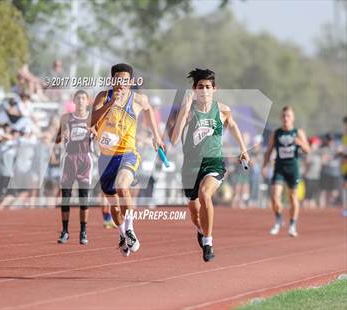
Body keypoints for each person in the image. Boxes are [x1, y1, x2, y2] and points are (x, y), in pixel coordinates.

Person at [171, 68, 250, 262]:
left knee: (204, 194)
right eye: (200, 87)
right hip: (190, 166)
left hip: (213, 163)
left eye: (208, 87)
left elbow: (232, 125)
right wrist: (184, 108)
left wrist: (243, 149)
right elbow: (173, 140)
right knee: (194, 212)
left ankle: (208, 242)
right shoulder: (188, 111)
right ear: (194, 89)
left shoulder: (222, 109)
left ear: (214, 89)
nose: (204, 90)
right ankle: (201, 229)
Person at [91, 63, 164, 257]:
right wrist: (109, 105)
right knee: (114, 208)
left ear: (131, 81)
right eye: (118, 79)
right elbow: (91, 121)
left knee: (123, 187)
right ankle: (123, 234)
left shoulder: (138, 99)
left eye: (125, 80)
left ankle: (130, 230)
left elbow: (148, 110)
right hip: (106, 158)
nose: (121, 83)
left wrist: (156, 135)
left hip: (128, 153)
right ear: (112, 80)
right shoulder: (103, 96)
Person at [262, 106, 310, 237]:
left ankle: (292, 225)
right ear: (280, 118)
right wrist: (264, 166)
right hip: (279, 167)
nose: (285, 118)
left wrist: (300, 143)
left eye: (288, 116)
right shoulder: (276, 133)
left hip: (293, 168)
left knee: (292, 197)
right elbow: (268, 151)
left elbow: (308, 150)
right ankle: (278, 219)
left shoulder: (298, 132)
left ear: (293, 118)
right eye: (283, 116)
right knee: (274, 196)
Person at [55, 90, 92, 245]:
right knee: (66, 198)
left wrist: (94, 132)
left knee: (84, 198)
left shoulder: (92, 118)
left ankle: (83, 232)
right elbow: (57, 139)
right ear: (74, 101)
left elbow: (100, 134)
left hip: (85, 160)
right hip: (69, 159)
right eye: (78, 98)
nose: (81, 101)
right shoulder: (65, 118)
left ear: (88, 101)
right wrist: (62, 136)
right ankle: (65, 231)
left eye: (84, 98)